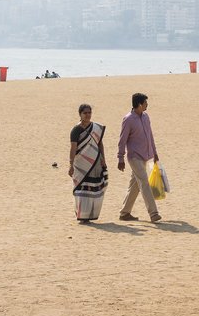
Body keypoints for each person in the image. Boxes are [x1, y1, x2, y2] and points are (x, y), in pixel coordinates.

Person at [116, 93, 162, 223]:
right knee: (144, 183)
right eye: (146, 103)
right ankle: (153, 213)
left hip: (145, 156)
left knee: (135, 186)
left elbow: (150, 135)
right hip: (134, 157)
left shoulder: (146, 117)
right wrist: (120, 158)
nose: (147, 105)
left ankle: (124, 213)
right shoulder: (128, 119)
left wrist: (155, 152)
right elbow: (122, 139)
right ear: (140, 104)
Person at [68, 103, 108, 222]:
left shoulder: (96, 128)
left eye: (89, 113)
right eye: (85, 113)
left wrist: (103, 158)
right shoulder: (76, 130)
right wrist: (70, 164)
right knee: (81, 188)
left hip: (95, 161)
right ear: (80, 114)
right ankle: (82, 214)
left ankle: (91, 214)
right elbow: (73, 148)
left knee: (94, 187)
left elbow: (99, 143)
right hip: (81, 164)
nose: (87, 115)